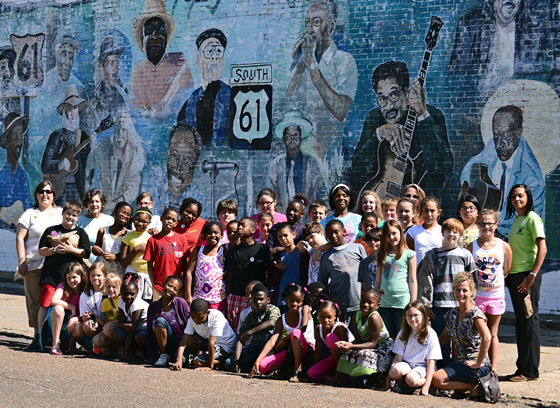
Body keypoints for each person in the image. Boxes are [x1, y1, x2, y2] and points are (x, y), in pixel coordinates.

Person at [348, 60, 452, 197]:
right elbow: (357, 172)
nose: (388, 106)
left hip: (420, 205)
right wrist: (378, 135)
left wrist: (422, 114)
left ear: (406, 93)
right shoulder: (374, 118)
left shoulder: (431, 116)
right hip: (382, 202)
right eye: (382, 98)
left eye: (393, 94)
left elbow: (442, 175)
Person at [286, 0, 357, 158]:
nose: (309, 30)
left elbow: (340, 110)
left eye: (316, 22)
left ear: (331, 28)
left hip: (328, 153)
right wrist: (298, 63)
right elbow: (287, 103)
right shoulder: (302, 62)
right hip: (300, 152)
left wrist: (311, 65)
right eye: (307, 22)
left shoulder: (344, 61)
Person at [461, 105, 545, 237]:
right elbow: (468, 170)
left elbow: (527, 228)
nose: (499, 144)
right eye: (496, 136)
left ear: (518, 133)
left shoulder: (532, 180)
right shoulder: (492, 147)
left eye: (505, 136)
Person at [504, 184, 546, 382]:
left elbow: (542, 249)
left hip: (526, 277)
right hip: (515, 276)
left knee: (529, 321)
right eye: (513, 196)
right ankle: (522, 368)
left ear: (528, 197)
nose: (516, 199)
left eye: (520, 196)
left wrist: (532, 276)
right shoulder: (517, 220)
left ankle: (530, 371)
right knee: (522, 323)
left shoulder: (532, 219)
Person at [16, 181, 63, 349]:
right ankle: (37, 336)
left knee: (54, 301)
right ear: (36, 195)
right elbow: (20, 238)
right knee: (35, 301)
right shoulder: (29, 214)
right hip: (33, 264)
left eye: (48, 191)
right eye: (41, 191)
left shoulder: (61, 213)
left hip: (56, 265)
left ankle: (54, 337)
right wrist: (22, 261)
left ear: (53, 194)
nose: (45, 194)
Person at [432, 273, 492, 396]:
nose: (461, 294)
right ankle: (464, 387)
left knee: (436, 379)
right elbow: (444, 338)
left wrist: (478, 363)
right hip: (460, 364)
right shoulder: (452, 313)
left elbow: (487, 338)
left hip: (476, 366)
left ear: (472, 292)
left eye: (465, 290)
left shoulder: (475, 314)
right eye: (457, 290)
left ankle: (473, 387)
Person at [467, 209, 511, 372]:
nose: (486, 226)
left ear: (496, 225)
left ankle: (493, 369)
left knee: (493, 333)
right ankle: (475, 365)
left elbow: (506, 270)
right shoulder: (471, 247)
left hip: (496, 296)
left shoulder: (504, 246)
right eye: (483, 223)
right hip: (477, 298)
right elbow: (468, 273)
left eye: (490, 223)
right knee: (476, 333)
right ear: (478, 225)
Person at [38, 200, 90, 334]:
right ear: (62, 213)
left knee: (68, 307)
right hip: (51, 276)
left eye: (74, 215)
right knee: (45, 304)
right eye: (68, 214)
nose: (70, 217)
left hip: (71, 280)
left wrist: (71, 249)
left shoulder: (80, 233)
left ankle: (66, 338)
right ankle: (39, 335)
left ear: (78, 217)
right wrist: (54, 250)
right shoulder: (51, 230)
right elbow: (41, 250)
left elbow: (86, 252)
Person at [130, 0, 193, 112]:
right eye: (149, 30)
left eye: (160, 29)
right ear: (142, 37)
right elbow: (136, 109)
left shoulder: (179, 64)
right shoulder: (137, 71)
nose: (155, 35)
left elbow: (185, 97)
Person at [249, 284, 315, 382]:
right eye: (291, 300)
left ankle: (297, 370)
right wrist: (257, 361)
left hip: (308, 348)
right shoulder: (282, 319)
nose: (294, 304)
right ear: (286, 299)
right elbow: (272, 341)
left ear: (302, 301)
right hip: (291, 351)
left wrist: (284, 338)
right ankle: (285, 368)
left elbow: (303, 328)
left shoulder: (305, 309)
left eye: (298, 301)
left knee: (296, 333)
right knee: (262, 367)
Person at [177, 28, 230, 147]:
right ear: (198, 60)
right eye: (209, 51)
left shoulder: (231, 96)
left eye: (219, 51)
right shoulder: (191, 102)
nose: (215, 57)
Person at [85, 110, 146, 211]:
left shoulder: (136, 154)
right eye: (117, 129)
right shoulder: (104, 146)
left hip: (121, 211)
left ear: (128, 132)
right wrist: (87, 193)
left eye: (123, 130)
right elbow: (88, 165)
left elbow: (132, 189)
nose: (120, 134)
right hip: (102, 208)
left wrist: (112, 206)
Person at [41, 85, 91, 203]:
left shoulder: (83, 136)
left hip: (78, 190)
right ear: (65, 111)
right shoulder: (57, 135)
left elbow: (88, 164)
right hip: (59, 190)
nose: (73, 112)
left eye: (75, 108)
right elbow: (45, 165)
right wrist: (60, 164)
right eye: (70, 108)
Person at [267, 111, 327, 208]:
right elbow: (270, 193)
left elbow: (321, 192)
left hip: (306, 215)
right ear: (284, 139)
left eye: (295, 136)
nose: (292, 141)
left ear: (300, 138)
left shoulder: (311, 163)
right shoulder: (277, 165)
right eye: (288, 137)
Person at [386, 301, 442, 396]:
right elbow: (398, 358)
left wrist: (426, 387)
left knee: (411, 379)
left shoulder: (430, 334)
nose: (412, 319)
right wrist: (387, 381)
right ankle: (403, 385)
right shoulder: (404, 332)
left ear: (423, 316)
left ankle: (424, 385)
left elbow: (431, 361)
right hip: (408, 364)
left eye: (416, 315)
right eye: (409, 316)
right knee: (395, 370)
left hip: (423, 366)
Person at [335, 289, 394, 378]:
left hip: (382, 351)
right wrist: (347, 344)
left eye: (370, 303)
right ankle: (340, 378)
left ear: (377, 305)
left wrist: (351, 346)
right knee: (347, 351)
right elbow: (358, 339)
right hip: (369, 347)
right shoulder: (357, 315)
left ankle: (371, 378)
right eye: (363, 301)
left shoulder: (374, 317)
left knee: (363, 354)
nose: (365, 305)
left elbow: (373, 343)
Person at [225, 217, 271, 330]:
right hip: (237, 297)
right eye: (239, 225)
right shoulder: (233, 251)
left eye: (243, 225)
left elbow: (269, 274)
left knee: (256, 328)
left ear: (252, 230)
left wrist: (265, 293)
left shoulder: (263, 250)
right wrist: (229, 297)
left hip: (257, 298)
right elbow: (229, 277)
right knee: (236, 328)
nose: (239, 227)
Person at [374, 220, 417, 338]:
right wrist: (375, 300)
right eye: (388, 235)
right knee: (386, 336)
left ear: (401, 233)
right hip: (384, 302)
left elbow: (413, 280)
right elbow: (377, 280)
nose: (392, 237)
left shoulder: (410, 254)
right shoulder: (381, 254)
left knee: (402, 336)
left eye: (394, 233)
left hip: (402, 302)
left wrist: (413, 303)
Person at [318, 219, 366, 324]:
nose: (333, 236)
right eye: (330, 233)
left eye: (336, 232)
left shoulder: (358, 248)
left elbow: (366, 275)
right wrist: (331, 300)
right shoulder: (326, 257)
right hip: (340, 307)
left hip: (359, 305)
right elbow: (322, 282)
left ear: (343, 231)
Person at [172, 298, 237, 371]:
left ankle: (222, 360)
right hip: (208, 341)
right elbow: (183, 342)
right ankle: (205, 357)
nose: (196, 320)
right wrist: (178, 360)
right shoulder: (191, 319)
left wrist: (210, 366)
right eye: (194, 317)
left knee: (196, 362)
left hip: (224, 345)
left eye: (200, 318)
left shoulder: (217, 317)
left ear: (208, 313)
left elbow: (211, 343)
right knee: (188, 344)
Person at [230, 283, 281, 373]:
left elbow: (272, 322)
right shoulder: (251, 315)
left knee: (265, 335)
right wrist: (236, 361)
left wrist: (249, 333)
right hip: (254, 348)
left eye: (261, 299)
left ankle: (266, 364)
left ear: (268, 300)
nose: (258, 302)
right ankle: (254, 367)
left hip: (270, 349)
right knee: (228, 363)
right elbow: (240, 338)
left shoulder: (273, 309)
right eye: (255, 300)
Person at [41, 262, 86, 355]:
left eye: (74, 277)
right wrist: (71, 307)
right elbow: (53, 300)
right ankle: (55, 344)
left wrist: (75, 318)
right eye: (68, 278)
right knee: (58, 308)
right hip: (58, 318)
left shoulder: (86, 289)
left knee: (79, 328)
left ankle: (71, 342)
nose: (71, 280)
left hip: (77, 318)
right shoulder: (63, 286)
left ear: (81, 276)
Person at [85, 35, 126, 135]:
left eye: (117, 63)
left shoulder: (119, 96)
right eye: (112, 63)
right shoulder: (95, 99)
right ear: (102, 68)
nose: (116, 69)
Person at [144, 208, 188, 301]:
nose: (170, 221)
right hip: (160, 287)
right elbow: (149, 264)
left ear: (176, 223)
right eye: (168, 218)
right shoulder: (153, 240)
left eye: (173, 220)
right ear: (161, 218)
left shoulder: (181, 239)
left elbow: (185, 263)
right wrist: (153, 284)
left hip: (177, 288)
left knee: (177, 313)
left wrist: (184, 284)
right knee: (160, 314)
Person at [146, 275, 190, 367]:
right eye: (169, 285)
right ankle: (164, 355)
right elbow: (149, 331)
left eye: (175, 289)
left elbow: (190, 324)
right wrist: (151, 356)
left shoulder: (181, 303)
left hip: (181, 342)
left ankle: (175, 356)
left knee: (183, 361)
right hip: (165, 342)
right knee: (160, 321)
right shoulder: (153, 307)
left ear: (177, 293)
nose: (171, 289)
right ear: (163, 284)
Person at [184, 221, 227, 310]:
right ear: (204, 235)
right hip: (199, 297)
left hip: (218, 299)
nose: (212, 235)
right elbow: (189, 272)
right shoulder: (198, 250)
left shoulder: (224, 251)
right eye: (209, 233)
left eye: (216, 232)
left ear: (221, 234)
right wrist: (188, 295)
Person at [307, 300, 353, 383]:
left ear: (335, 316)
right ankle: (331, 372)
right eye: (322, 317)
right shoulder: (318, 329)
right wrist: (315, 367)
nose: (325, 320)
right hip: (333, 358)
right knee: (311, 373)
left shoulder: (340, 328)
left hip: (347, 359)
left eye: (329, 317)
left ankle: (340, 375)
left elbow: (345, 354)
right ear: (317, 316)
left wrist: (337, 376)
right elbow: (317, 352)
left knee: (330, 337)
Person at [112, 272, 150, 362]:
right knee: (116, 333)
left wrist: (126, 354)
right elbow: (121, 321)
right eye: (125, 293)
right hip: (133, 330)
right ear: (121, 292)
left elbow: (133, 329)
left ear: (137, 292)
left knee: (139, 338)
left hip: (144, 331)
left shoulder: (137, 304)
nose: (128, 297)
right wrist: (125, 326)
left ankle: (143, 352)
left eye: (132, 294)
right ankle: (130, 351)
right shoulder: (121, 301)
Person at [0, 112, 32, 217]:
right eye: (14, 137)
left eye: (21, 137)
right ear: (7, 142)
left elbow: (28, 212)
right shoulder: (1, 176)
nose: (19, 142)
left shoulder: (24, 177)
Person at [120, 208, 153, 301]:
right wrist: (136, 250)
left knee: (147, 303)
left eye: (144, 222)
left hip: (148, 276)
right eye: (137, 220)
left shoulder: (152, 237)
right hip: (133, 276)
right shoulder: (128, 236)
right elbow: (123, 262)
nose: (140, 224)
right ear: (133, 219)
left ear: (149, 223)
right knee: (131, 301)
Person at [92, 201, 132, 276]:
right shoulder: (103, 231)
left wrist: (116, 257)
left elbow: (130, 255)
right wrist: (95, 248)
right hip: (104, 273)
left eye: (128, 214)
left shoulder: (129, 235)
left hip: (121, 274)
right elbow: (96, 247)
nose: (124, 216)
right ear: (114, 212)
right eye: (122, 212)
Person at [76, 189, 115, 266]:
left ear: (102, 204)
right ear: (87, 204)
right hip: (83, 263)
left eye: (97, 201)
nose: (94, 204)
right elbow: (75, 245)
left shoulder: (110, 220)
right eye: (91, 202)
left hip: (105, 264)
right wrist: (86, 262)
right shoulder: (79, 220)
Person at [273, 223, 307, 305]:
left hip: (298, 301)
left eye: (285, 235)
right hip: (281, 301)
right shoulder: (277, 256)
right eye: (280, 237)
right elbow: (272, 281)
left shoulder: (302, 253)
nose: (283, 239)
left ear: (294, 235)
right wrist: (278, 271)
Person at [405, 196, 443, 265]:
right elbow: (408, 256)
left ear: (438, 212)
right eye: (425, 210)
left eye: (432, 211)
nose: (429, 214)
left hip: (437, 273)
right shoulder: (412, 232)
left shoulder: (443, 232)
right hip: (418, 273)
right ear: (420, 212)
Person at [92, 273, 122, 356]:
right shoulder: (105, 302)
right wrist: (94, 317)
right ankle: (115, 347)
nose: (111, 289)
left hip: (120, 327)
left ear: (120, 287)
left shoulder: (122, 300)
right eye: (108, 287)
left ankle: (122, 346)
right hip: (109, 329)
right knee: (99, 344)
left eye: (114, 287)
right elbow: (106, 321)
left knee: (108, 328)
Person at [80, 262, 107, 339]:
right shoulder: (85, 294)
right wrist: (85, 316)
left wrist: (99, 321)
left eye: (99, 275)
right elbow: (83, 314)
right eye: (93, 275)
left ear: (105, 276)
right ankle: (94, 342)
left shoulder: (109, 292)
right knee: (87, 325)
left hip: (108, 323)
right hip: (95, 324)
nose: (95, 278)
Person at [357, 228, 382, 293]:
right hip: (370, 297)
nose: (372, 242)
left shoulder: (388, 260)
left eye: (376, 240)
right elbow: (363, 285)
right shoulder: (363, 262)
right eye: (369, 240)